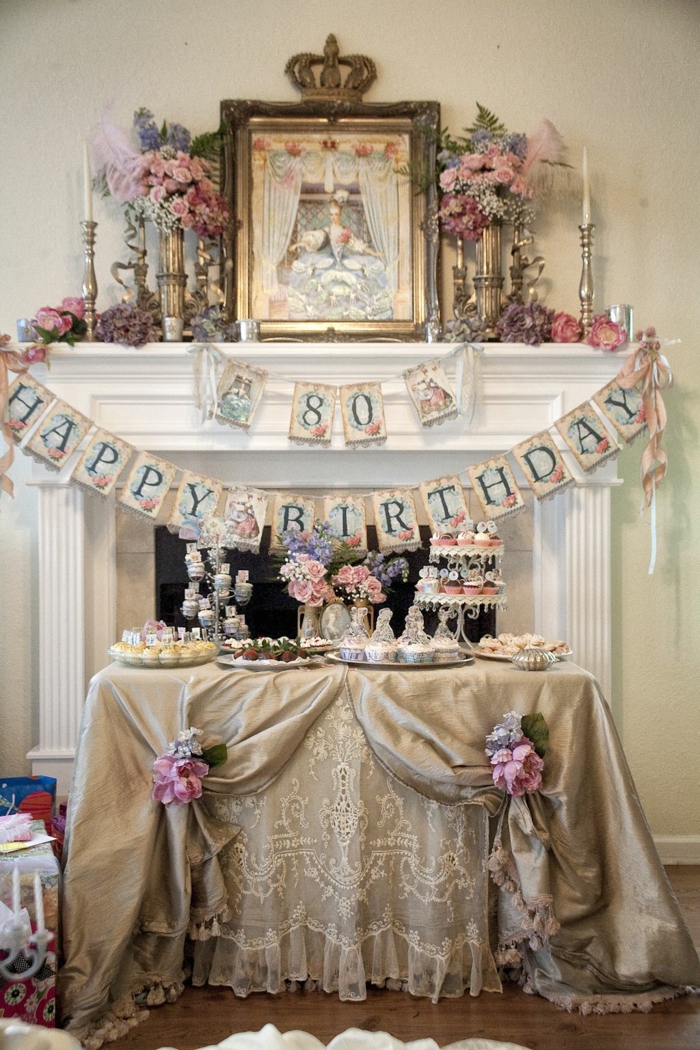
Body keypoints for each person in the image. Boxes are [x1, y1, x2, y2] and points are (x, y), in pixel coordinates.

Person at [287, 190, 392, 321]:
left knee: (356, 285)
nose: (333, 217)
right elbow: (313, 240)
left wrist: (374, 253)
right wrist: (298, 244)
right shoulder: (327, 230)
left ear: (340, 215)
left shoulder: (345, 231)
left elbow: (359, 246)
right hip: (329, 262)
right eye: (331, 214)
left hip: (345, 261)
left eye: (336, 214)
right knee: (319, 285)